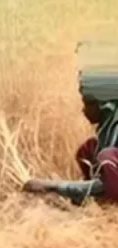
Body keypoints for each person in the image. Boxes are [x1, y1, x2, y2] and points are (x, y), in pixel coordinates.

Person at [22, 42, 118, 205]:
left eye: (87, 103)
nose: (83, 110)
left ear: (104, 105)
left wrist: (54, 186)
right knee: (89, 150)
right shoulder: (108, 127)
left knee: (107, 158)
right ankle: (91, 204)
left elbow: (108, 184)